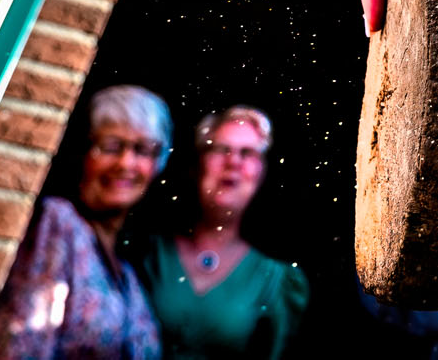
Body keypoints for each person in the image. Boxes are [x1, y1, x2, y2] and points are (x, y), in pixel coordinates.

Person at [0, 86, 169, 360]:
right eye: (111, 146)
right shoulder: (58, 223)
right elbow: (18, 347)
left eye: (142, 150)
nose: (126, 163)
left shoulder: (127, 272)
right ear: (84, 154)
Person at [130, 107, 309, 360]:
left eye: (247, 153)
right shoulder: (146, 252)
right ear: (199, 164)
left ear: (262, 173)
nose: (233, 161)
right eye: (221, 149)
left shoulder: (277, 281)